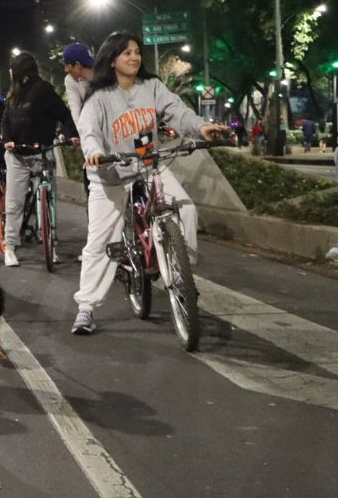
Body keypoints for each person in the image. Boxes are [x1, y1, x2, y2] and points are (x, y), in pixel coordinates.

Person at [74, 31, 226, 335]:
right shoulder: (99, 97)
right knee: (99, 243)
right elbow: (88, 131)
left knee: (186, 209)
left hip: (147, 165)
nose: (134, 57)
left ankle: (181, 274)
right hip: (111, 174)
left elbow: (177, 111)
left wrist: (201, 127)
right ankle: (86, 308)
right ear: (112, 60)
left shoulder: (152, 87)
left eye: (137, 52)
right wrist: (94, 153)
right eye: (126, 53)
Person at [1, 52, 78, 267]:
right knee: (14, 204)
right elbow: (5, 122)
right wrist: (7, 140)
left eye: (12, 68)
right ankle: (10, 247)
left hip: (42, 154)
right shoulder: (13, 93)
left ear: (20, 70)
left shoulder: (43, 90)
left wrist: (72, 134)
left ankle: (50, 244)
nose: (10, 72)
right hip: (17, 156)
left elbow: (64, 114)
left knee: (48, 201)